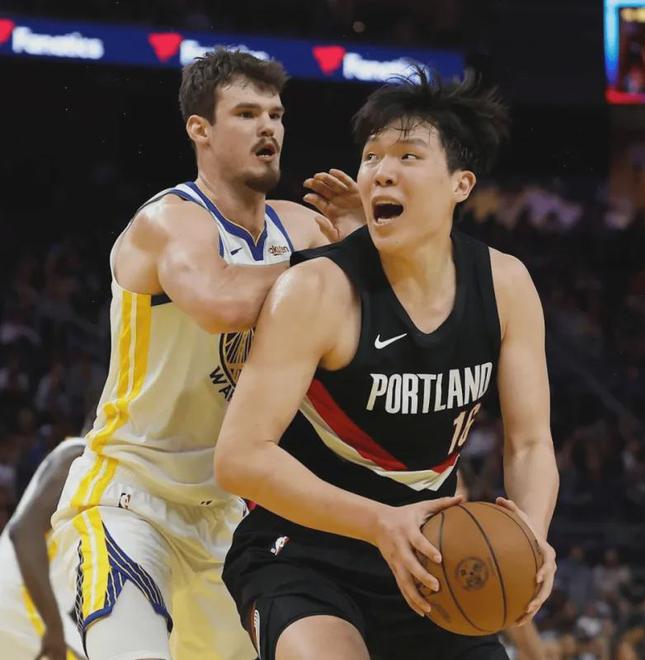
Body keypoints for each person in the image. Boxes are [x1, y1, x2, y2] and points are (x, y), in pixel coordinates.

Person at [215, 67, 559, 660]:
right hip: (303, 551)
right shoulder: (318, 290)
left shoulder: (505, 285)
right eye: (371, 156)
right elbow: (240, 457)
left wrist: (530, 534)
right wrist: (378, 521)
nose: (381, 171)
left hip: (433, 559)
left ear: (461, 184)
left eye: (408, 155)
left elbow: (529, 444)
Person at [51, 48, 362, 660]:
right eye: (246, 114)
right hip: (129, 499)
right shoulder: (170, 221)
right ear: (200, 128)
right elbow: (222, 301)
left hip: (230, 517)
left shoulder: (301, 228)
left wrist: (359, 237)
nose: (268, 127)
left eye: (275, 114)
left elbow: (379, 308)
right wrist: (340, 264)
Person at [0, 436, 85, 660]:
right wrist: (54, 626)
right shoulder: (81, 456)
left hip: (25, 605)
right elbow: (24, 532)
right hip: (22, 602)